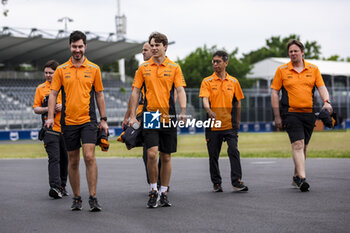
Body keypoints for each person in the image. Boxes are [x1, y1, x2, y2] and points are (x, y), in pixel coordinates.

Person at [45, 31, 108, 211]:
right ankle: (77, 197)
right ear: (70, 47)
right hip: (68, 121)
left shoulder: (94, 69)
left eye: (80, 46)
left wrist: (103, 120)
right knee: (73, 161)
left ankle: (93, 197)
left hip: (88, 120)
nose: (77, 50)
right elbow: (53, 94)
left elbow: (99, 94)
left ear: (85, 47)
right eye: (74, 46)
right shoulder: (61, 70)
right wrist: (50, 117)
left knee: (89, 156)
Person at [128, 32, 187, 208]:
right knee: (152, 154)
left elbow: (181, 90)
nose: (153, 48)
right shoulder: (143, 68)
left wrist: (183, 110)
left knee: (166, 156)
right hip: (150, 115)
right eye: (151, 45)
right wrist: (132, 116)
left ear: (165, 47)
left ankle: (164, 192)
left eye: (157, 45)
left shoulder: (174, 67)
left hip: (168, 115)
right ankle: (153, 190)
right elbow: (135, 92)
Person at [271, 39, 332, 192]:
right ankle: (303, 179)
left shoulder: (313, 69)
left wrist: (327, 101)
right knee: (297, 144)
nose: (293, 54)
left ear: (302, 52)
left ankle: (296, 176)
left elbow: (322, 87)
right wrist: (277, 116)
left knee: (303, 146)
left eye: (295, 51)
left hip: (309, 113)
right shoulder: (282, 70)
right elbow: (274, 92)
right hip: (290, 113)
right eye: (290, 51)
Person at [199, 50, 248, 193]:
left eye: (218, 61)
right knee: (213, 155)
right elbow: (205, 99)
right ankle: (217, 183)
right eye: (213, 61)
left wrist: (237, 122)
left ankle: (237, 181)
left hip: (229, 125)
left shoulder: (234, 82)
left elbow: (238, 103)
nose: (215, 64)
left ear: (226, 63)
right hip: (213, 125)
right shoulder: (207, 81)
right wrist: (208, 110)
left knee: (234, 151)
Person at [33, 60, 68, 199]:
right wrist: (50, 108)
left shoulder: (65, 87)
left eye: (51, 73)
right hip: (50, 129)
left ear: (57, 73)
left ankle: (63, 186)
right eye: (46, 73)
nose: (48, 75)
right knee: (54, 158)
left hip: (66, 129)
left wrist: (63, 107)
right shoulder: (40, 88)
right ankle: (55, 187)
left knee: (65, 160)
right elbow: (36, 108)